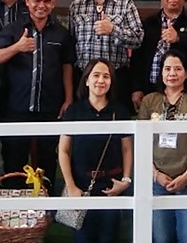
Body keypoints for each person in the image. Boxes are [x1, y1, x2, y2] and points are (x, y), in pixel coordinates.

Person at [0, 0, 75, 181]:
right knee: (14, 162)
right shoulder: (14, 29)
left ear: (53, 3)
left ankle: (46, 210)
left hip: (49, 107)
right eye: (36, 0)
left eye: (47, 1)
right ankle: (14, 209)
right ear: (27, 0)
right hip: (16, 108)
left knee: (47, 164)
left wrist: (69, 98)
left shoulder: (61, 33)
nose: (41, 6)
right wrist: (17, 47)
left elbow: (67, 66)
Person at [136, 50, 187, 243]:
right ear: (161, 72)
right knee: (161, 238)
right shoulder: (149, 100)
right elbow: (140, 142)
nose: (172, 73)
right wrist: (155, 174)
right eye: (167, 68)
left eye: (178, 69)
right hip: (156, 180)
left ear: (186, 73)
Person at [58, 59, 133, 243]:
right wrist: (71, 186)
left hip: (111, 186)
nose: (101, 80)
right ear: (86, 80)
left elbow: (127, 149)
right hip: (81, 186)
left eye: (106, 76)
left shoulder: (120, 112)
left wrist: (125, 180)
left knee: (109, 238)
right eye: (96, 75)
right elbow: (64, 150)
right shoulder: (74, 111)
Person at [69, 0, 144, 106]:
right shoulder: (76, 6)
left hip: (116, 77)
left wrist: (113, 30)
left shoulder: (126, 4)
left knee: (116, 123)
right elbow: (71, 42)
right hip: (85, 78)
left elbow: (138, 39)